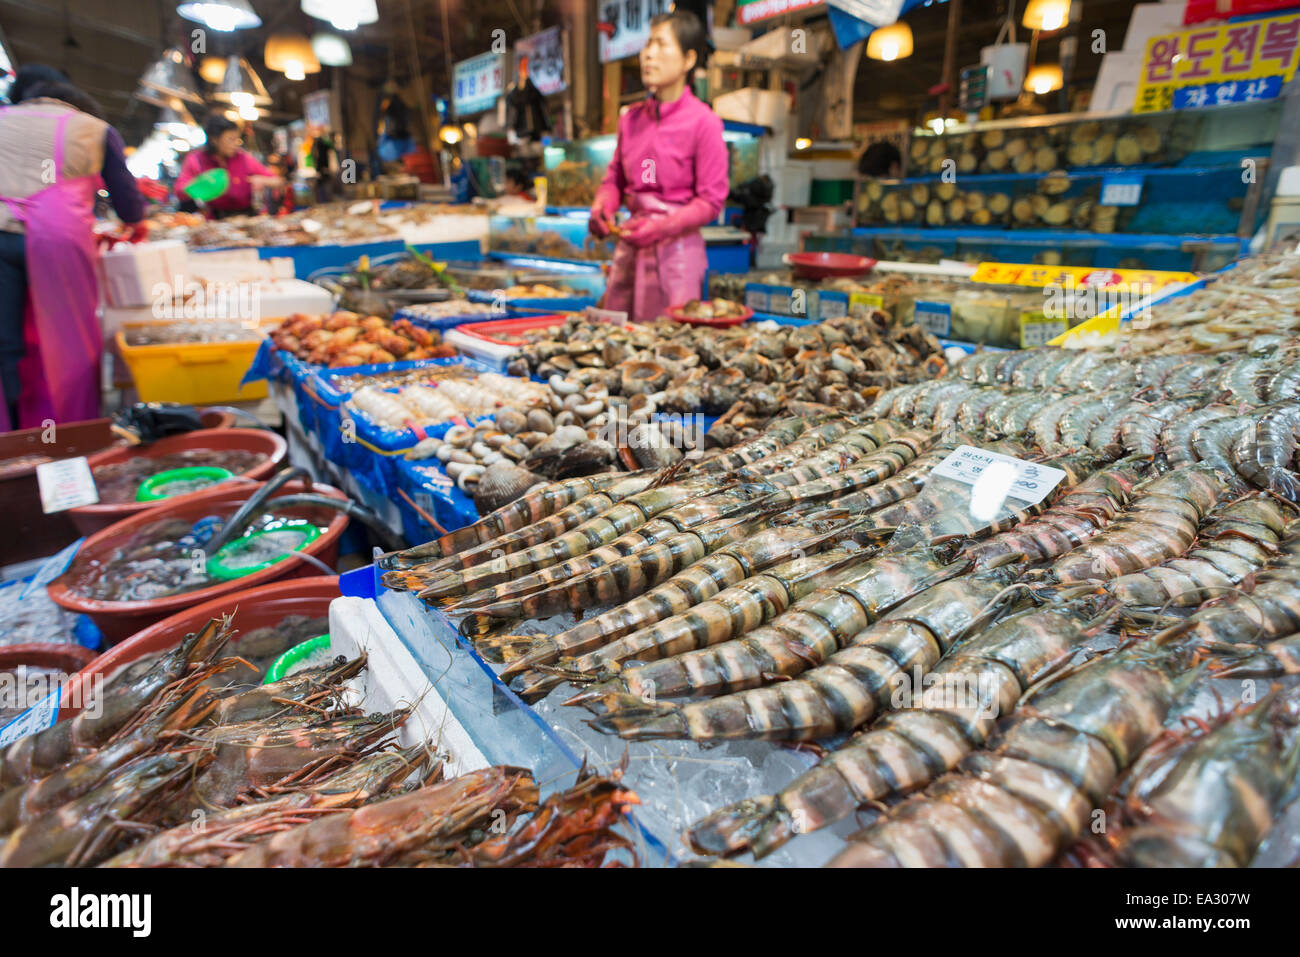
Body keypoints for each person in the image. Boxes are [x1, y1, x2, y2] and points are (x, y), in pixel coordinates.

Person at [0, 66, 146, 430]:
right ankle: (69, 431)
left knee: (5, 342)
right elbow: (128, 203)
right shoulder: (93, 128)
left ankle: (11, 435)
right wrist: (132, 221)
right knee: (71, 339)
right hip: (58, 235)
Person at [588, 10, 728, 320]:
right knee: (615, 342)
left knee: (666, 349)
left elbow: (711, 201)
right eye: (648, 44)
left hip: (676, 255)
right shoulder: (631, 119)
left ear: (688, 59)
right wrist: (602, 205)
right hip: (629, 248)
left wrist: (661, 226)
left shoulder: (704, 122)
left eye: (661, 45)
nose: (649, 54)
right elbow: (615, 178)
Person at [175, 114, 283, 219]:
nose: (236, 144)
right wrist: (200, 184)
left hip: (247, 218)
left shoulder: (243, 158)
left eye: (237, 139)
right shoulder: (197, 160)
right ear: (214, 140)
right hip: (215, 220)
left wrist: (262, 180)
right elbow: (179, 191)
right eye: (230, 139)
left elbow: (278, 181)